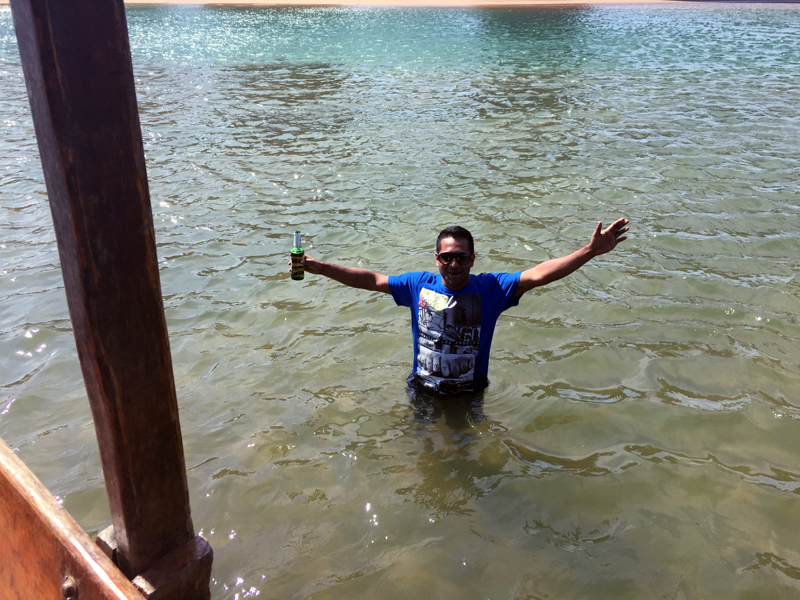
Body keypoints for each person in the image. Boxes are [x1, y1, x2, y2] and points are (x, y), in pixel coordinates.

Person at [300, 219, 629, 395]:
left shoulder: (492, 288)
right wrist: (322, 268)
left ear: (472, 259)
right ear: (437, 259)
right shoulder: (417, 284)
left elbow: (540, 273)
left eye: (461, 257)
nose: (454, 264)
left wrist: (589, 251)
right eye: (447, 257)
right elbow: (372, 280)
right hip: (423, 389)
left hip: (470, 392)